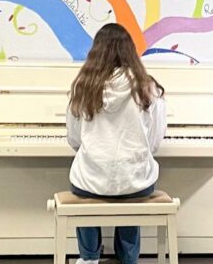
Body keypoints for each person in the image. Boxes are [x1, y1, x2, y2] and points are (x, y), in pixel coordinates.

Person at [66, 23, 167, 264]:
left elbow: (74, 139)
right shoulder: (148, 87)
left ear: (96, 52)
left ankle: (89, 257)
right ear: (130, 51)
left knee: (83, 179)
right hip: (135, 183)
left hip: (91, 182)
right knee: (132, 185)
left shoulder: (84, 86)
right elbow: (154, 143)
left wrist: (97, 153)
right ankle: (128, 258)